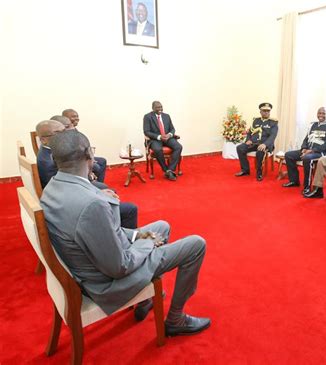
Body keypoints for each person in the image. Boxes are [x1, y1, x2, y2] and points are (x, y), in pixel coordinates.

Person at [41, 130, 210, 334]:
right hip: (108, 283)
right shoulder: (91, 205)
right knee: (196, 244)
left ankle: (146, 298)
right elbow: (120, 266)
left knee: (162, 226)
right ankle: (176, 319)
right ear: (89, 155)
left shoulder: (54, 186)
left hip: (94, 262)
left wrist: (136, 235)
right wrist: (147, 243)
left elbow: (96, 231)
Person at [35, 120, 138, 230]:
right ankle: (116, 231)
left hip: (73, 197)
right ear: (43, 140)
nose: (64, 136)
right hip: (74, 209)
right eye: (58, 133)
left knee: (108, 191)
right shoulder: (48, 161)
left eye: (64, 131)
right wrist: (97, 194)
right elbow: (67, 190)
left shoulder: (50, 153)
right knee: (130, 208)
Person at [282, 107, 326, 193]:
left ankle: (307, 186)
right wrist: (304, 148)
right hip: (308, 150)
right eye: (319, 113)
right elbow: (306, 138)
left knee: (307, 158)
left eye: (323, 113)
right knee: (288, 155)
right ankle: (294, 181)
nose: (321, 115)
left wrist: (312, 151)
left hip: (320, 153)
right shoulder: (313, 125)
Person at [235, 102, 278, 181]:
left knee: (260, 151)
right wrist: (248, 139)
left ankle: (259, 173)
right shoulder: (256, 121)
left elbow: (273, 136)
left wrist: (265, 144)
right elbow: (250, 132)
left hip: (265, 144)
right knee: (240, 148)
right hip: (253, 143)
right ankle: (245, 170)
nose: (266, 112)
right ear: (260, 111)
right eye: (264, 111)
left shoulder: (273, 122)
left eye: (268, 111)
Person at [62, 108, 107, 183]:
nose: (76, 118)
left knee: (102, 161)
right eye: (73, 116)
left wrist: (90, 157)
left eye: (77, 116)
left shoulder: (73, 129)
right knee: (97, 167)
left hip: (82, 156)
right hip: (74, 161)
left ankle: (97, 184)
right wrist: (88, 159)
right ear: (65, 118)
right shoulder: (63, 132)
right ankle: (93, 184)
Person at [143, 101, 183, 181]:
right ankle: (166, 169)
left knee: (178, 147)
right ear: (153, 108)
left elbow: (172, 129)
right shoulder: (147, 117)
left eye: (161, 107)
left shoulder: (166, 116)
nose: (160, 109)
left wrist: (169, 135)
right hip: (155, 139)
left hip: (167, 138)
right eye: (158, 107)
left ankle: (170, 169)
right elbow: (146, 131)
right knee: (157, 149)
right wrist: (159, 137)